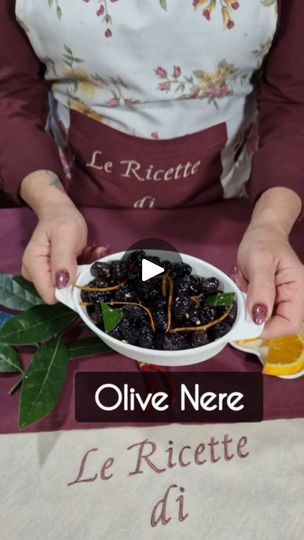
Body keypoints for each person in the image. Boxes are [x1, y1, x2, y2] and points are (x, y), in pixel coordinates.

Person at [0, 0, 303, 339]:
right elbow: (9, 90)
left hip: (238, 221)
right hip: (73, 218)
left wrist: (272, 225)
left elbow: (294, 99)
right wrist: (50, 203)